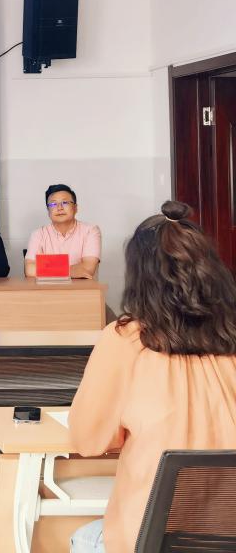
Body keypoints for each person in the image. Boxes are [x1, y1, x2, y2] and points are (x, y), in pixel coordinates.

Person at [69, 201, 236, 553]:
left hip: (154, 539)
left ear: (140, 275)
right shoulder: (231, 336)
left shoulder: (125, 339)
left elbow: (88, 440)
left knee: (81, 537)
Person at [24, 183, 101, 279]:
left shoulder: (90, 231)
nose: (59, 208)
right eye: (53, 204)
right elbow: (30, 269)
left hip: (82, 288)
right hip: (48, 288)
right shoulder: (38, 234)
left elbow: (88, 268)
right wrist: (71, 271)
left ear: (75, 208)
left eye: (65, 202)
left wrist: (46, 269)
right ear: (48, 211)